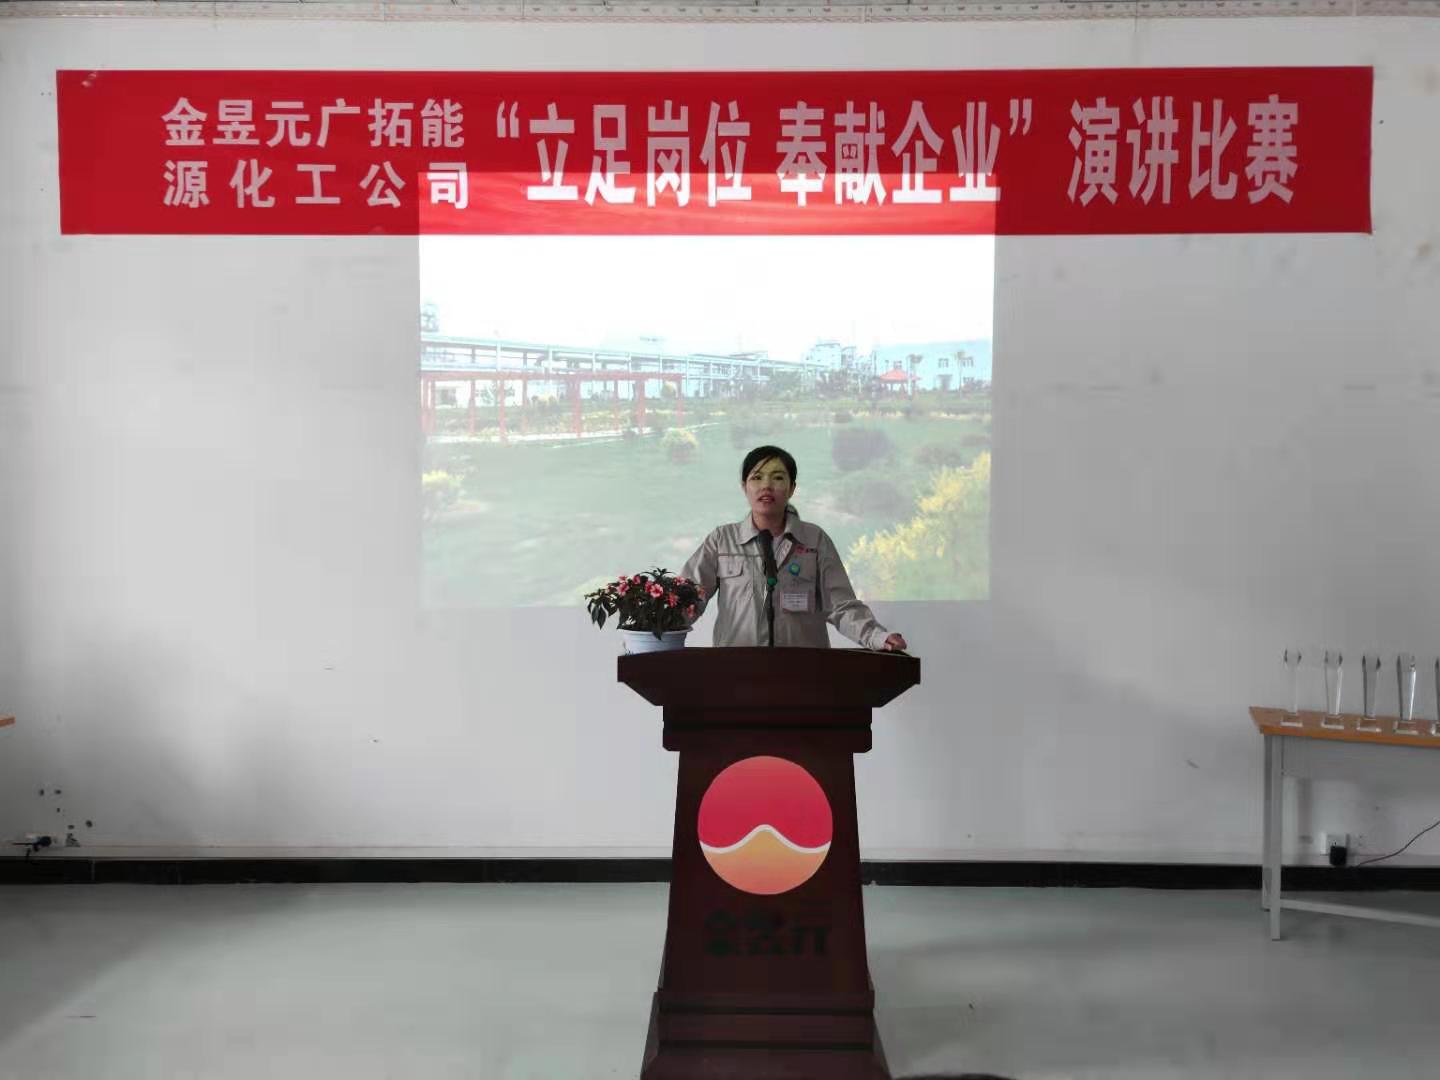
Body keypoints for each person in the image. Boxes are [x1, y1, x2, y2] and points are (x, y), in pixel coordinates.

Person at [681, 445, 908, 651]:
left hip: (804, 671)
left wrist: (877, 636)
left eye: (778, 477)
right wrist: (663, 624)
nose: (766, 485)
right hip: (738, 669)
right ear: (744, 487)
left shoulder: (815, 540)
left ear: (791, 488)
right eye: (757, 477)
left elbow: (841, 606)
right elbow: (685, 599)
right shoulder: (722, 540)